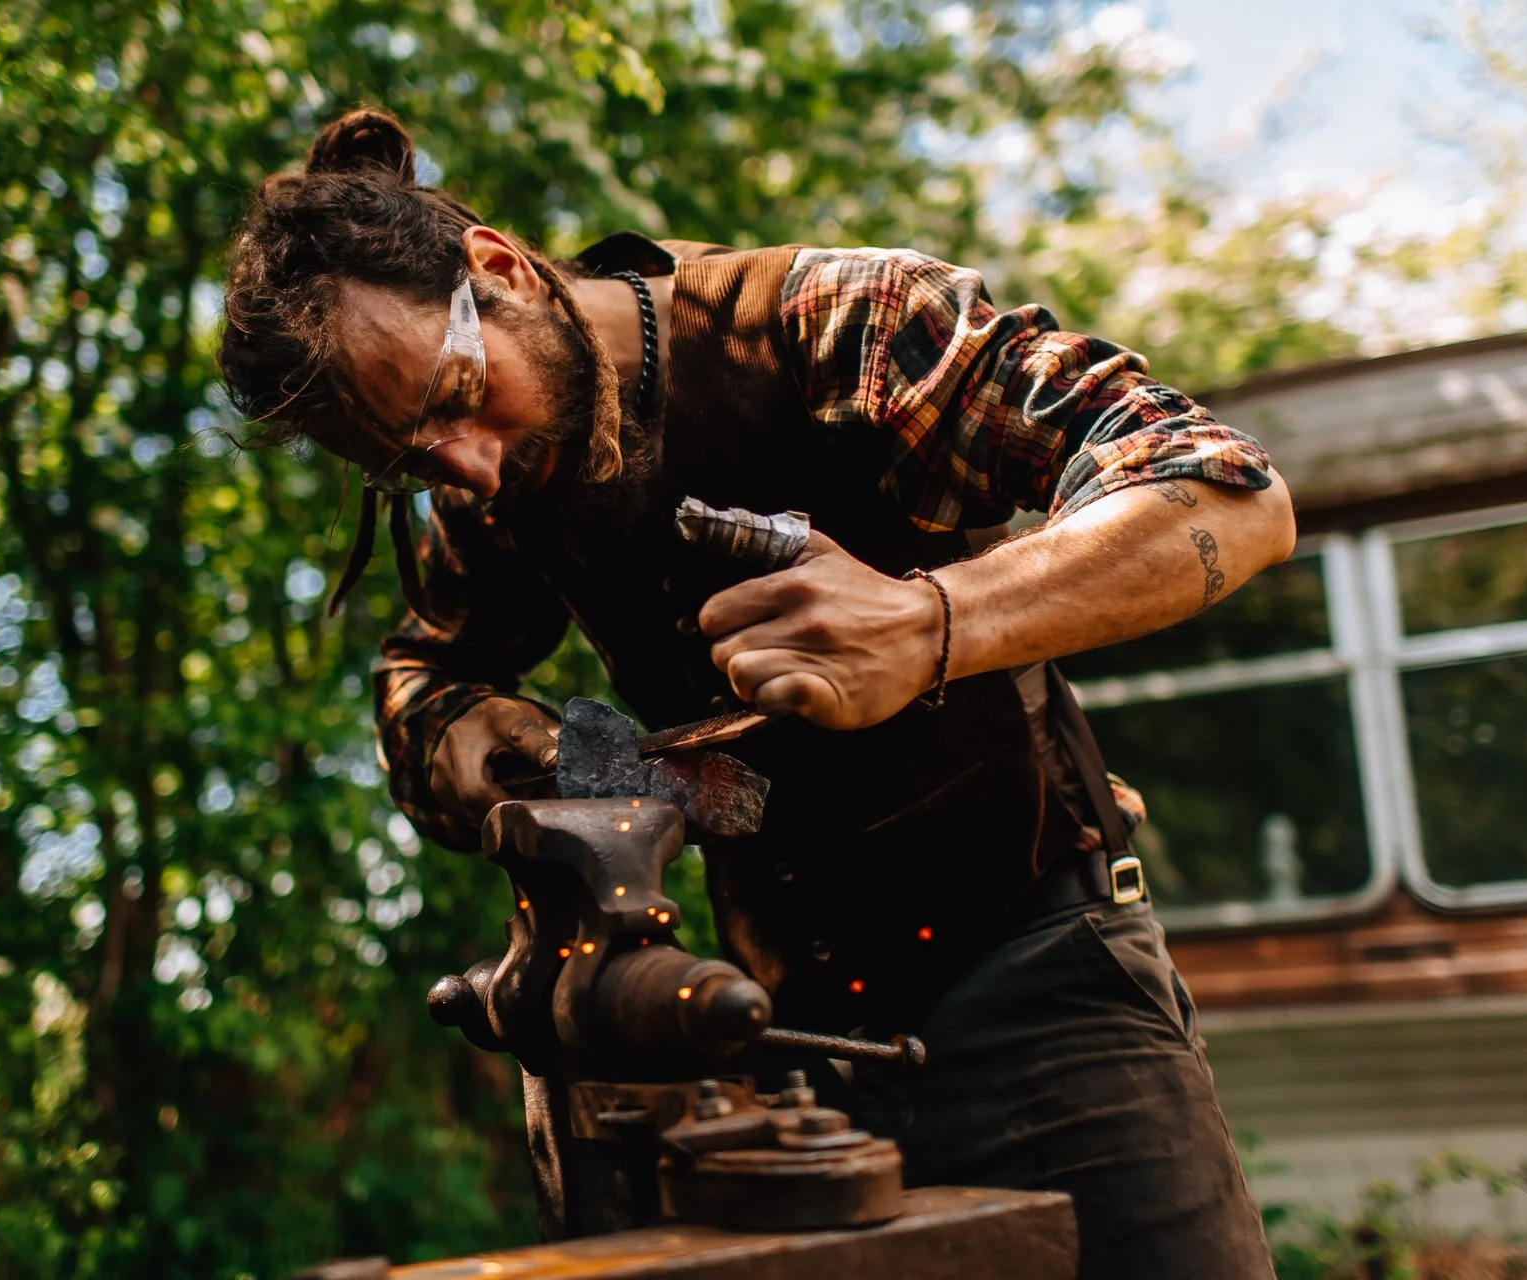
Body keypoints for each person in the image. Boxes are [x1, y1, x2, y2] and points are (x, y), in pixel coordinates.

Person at [220, 106, 1295, 1278]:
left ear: (499, 268)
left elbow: (1228, 495)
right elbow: (421, 672)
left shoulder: (839, 325)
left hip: (1044, 982)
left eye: (456, 395)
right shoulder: (490, 486)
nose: (466, 468)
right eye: (409, 462)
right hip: (781, 1053)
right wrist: (497, 752)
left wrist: (930, 623)